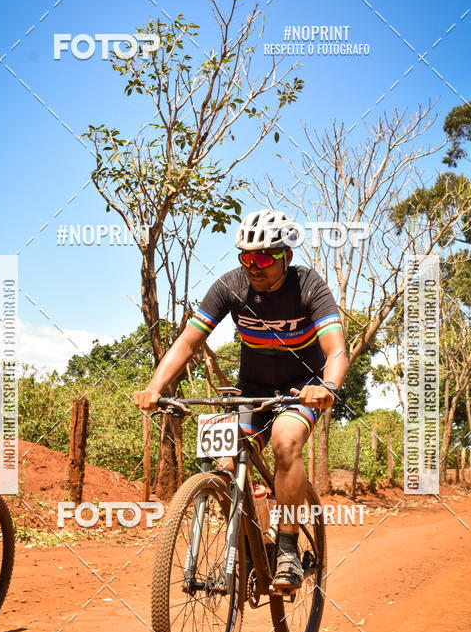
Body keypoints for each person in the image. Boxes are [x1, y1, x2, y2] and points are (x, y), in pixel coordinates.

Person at [134, 209, 348, 589]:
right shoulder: (230, 286)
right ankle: (253, 545)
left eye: (263, 259)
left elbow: (336, 350)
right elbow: (188, 342)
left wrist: (327, 387)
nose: (253, 267)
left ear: (287, 256)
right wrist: (155, 387)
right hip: (252, 389)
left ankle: (287, 548)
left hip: (302, 388)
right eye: (246, 258)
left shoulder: (308, 286)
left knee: (285, 441)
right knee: (227, 463)